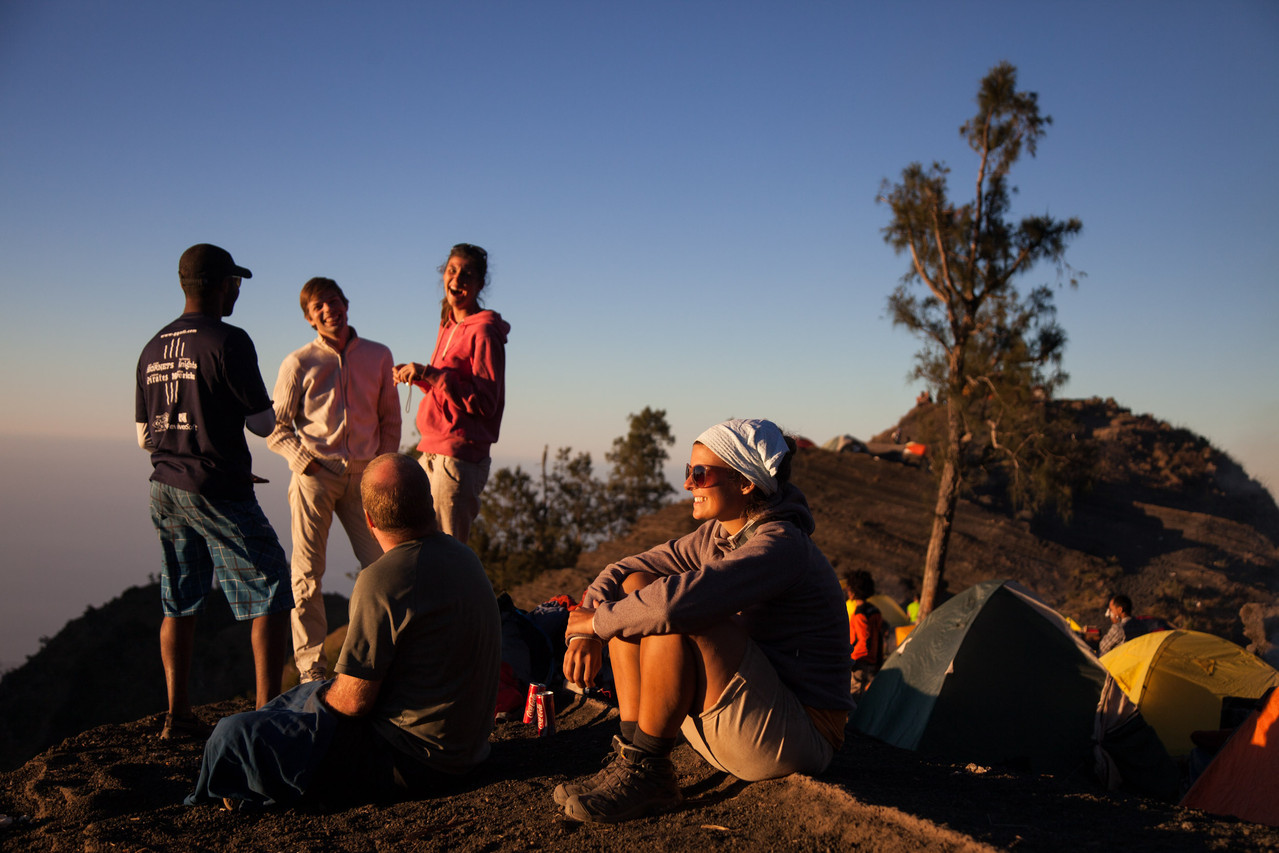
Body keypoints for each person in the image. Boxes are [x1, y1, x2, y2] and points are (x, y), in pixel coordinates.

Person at [556, 418, 852, 824]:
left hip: (800, 735)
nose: (688, 484)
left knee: (677, 611)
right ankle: (632, 753)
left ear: (746, 482)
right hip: (749, 712)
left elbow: (670, 609)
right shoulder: (715, 535)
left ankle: (649, 771)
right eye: (688, 472)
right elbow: (624, 569)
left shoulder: (781, 545)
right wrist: (586, 632)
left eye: (700, 473)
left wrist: (595, 624)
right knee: (638, 585)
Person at [186, 452, 502, 808]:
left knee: (233, 733)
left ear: (368, 519)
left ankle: (220, 796)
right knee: (293, 702)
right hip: (467, 751)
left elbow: (353, 702)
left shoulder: (383, 580)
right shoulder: (464, 557)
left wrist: (314, 703)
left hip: (412, 760)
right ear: (428, 503)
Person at [135, 243, 293, 739]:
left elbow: (144, 437)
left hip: (165, 485)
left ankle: (177, 716)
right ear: (221, 284)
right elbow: (264, 424)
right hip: (217, 488)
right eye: (236, 283)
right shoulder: (230, 340)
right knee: (270, 588)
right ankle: (266, 718)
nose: (239, 291)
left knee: (179, 597)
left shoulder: (153, 346)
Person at [268, 277, 402, 684]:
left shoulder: (379, 356)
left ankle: (383, 657)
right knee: (307, 574)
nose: (329, 310)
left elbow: (390, 419)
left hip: (366, 477)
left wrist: (384, 468)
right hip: (315, 477)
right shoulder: (298, 363)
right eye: (319, 307)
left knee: (383, 566)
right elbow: (276, 428)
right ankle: (311, 672)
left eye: (334, 301)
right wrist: (304, 462)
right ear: (310, 319)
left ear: (346, 303)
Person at [393, 243, 509, 544]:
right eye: (452, 270)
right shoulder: (449, 324)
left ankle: (462, 594)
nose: (457, 279)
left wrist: (430, 372)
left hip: (457, 459)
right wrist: (417, 376)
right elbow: (449, 392)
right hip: (431, 451)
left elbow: (485, 402)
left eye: (467, 274)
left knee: (448, 553)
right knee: (419, 544)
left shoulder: (482, 332)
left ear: (480, 284)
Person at [845, 570, 884, 696]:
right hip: (873, 662)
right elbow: (879, 637)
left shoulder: (859, 614)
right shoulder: (875, 611)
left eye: (849, 588)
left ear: (855, 590)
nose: (847, 590)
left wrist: (849, 660)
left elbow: (864, 641)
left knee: (854, 696)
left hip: (859, 663)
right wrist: (879, 661)